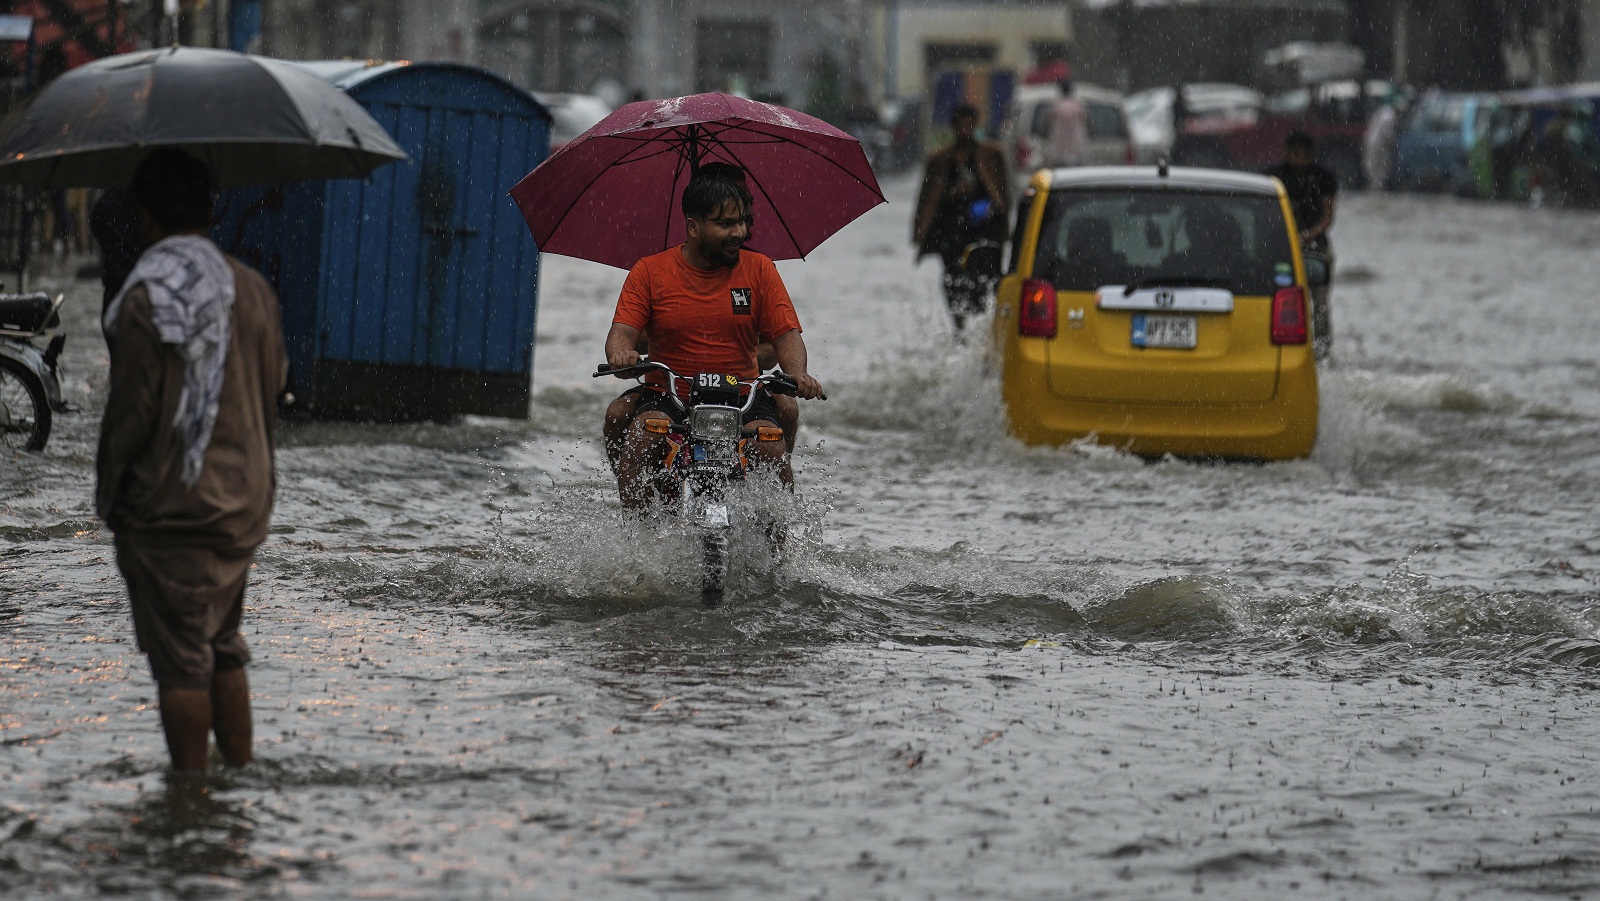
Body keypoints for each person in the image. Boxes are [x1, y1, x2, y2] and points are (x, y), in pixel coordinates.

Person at [96, 148, 288, 775]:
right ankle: (235, 779)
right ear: (210, 209)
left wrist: (112, 498)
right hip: (244, 502)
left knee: (181, 659)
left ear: (142, 215)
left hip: (176, 505)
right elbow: (273, 385)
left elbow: (131, 416)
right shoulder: (252, 288)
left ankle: (190, 801)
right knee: (222, 644)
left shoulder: (148, 298)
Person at [603, 169, 824, 509]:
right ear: (693, 227)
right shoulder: (649, 271)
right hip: (670, 397)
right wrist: (622, 354)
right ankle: (639, 541)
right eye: (725, 225)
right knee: (639, 437)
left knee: (772, 447)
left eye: (741, 222)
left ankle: (777, 545)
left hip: (742, 397)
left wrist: (798, 372)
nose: (738, 232)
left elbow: (787, 336)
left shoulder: (761, 269)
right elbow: (621, 335)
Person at [913, 104, 1010, 330]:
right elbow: (927, 198)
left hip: (983, 229)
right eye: (961, 125)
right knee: (952, 281)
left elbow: (1003, 194)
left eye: (969, 124)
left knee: (985, 283)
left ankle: (982, 327)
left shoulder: (992, 155)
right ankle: (960, 327)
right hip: (951, 231)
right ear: (954, 127)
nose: (965, 130)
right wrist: (921, 231)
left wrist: (995, 214)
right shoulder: (939, 160)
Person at [1266, 131, 1339, 358]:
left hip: (1317, 248)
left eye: (1303, 154)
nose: (1299, 159)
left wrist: (1305, 236)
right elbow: (1267, 213)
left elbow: (1328, 217)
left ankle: (1322, 352)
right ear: (1287, 153)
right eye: (1295, 153)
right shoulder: (1275, 177)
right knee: (1281, 301)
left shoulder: (1324, 177)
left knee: (1319, 303)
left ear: (1311, 154)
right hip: (1281, 247)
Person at [1046, 77, 1089, 168]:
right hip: (1077, 150)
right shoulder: (1079, 106)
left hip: (1058, 151)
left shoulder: (1056, 107)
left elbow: (1047, 124)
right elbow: (1087, 123)